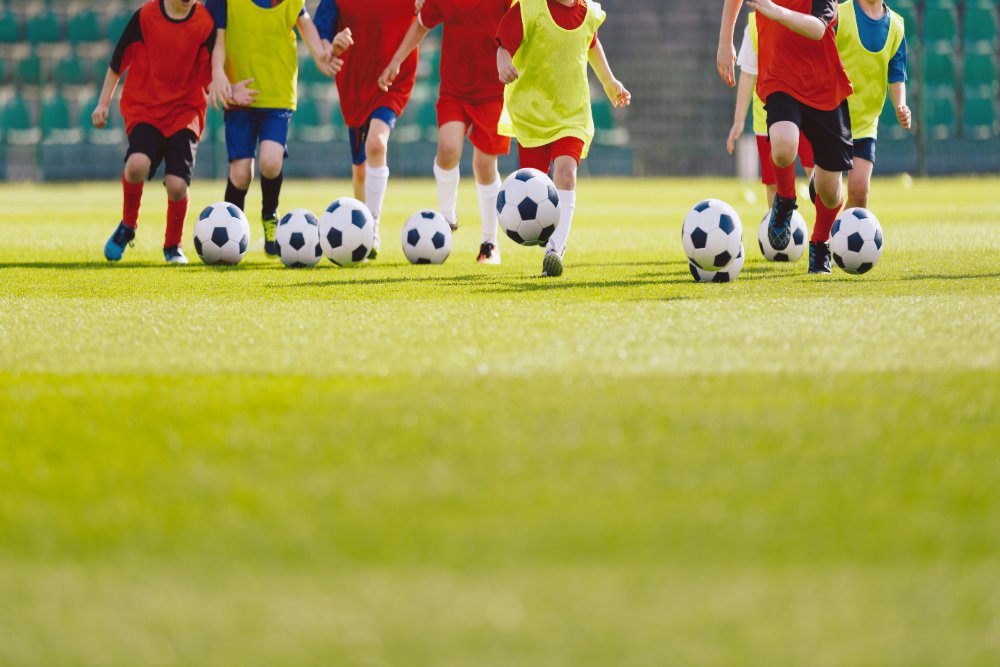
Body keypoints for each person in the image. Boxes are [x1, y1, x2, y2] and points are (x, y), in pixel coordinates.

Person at [96, 0, 253, 264]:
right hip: (144, 108)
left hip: (185, 113)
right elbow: (117, 62)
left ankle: (173, 245)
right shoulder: (146, 16)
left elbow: (208, 74)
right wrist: (102, 104)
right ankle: (128, 225)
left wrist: (227, 89)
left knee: (177, 185)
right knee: (136, 165)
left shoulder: (204, 23)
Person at [495, 0, 630, 277]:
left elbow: (591, 44)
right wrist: (503, 59)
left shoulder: (589, 13)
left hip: (573, 115)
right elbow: (503, 41)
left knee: (566, 173)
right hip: (533, 115)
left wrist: (610, 82)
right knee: (536, 182)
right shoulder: (530, 7)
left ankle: (556, 248)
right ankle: (547, 231)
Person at [718, 0, 854, 274]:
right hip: (780, 76)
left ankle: (820, 242)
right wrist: (725, 42)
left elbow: (817, 29)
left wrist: (774, 11)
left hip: (824, 86)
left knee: (829, 192)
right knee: (783, 144)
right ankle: (786, 199)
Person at [378, 0, 512, 265]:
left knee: (486, 165)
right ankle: (447, 217)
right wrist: (396, 60)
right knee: (449, 149)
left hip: (494, 92)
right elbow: (421, 24)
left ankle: (489, 243)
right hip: (454, 89)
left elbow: (521, 26)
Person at [205, 0, 341, 257]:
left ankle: (270, 214)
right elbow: (219, 40)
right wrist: (218, 74)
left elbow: (305, 24)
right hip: (239, 93)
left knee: (270, 161)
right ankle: (231, 231)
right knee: (241, 173)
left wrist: (321, 55)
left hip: (277, 94)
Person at [315, 0, 420, 260]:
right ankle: (362, 224)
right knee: (360, 171)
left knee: (376, 143)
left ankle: (371, 227)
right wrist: (332, 45)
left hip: (394, 75)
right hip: (355, 80)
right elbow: (321, 32)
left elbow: (430, 15)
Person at [726, 12, 815, 209]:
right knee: (774, 183)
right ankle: (778, 233)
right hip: (767, 118)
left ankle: (826, 232)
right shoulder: (754, 24)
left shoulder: (808, 15)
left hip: (809, 110)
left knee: (817, 175)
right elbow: (748, 74)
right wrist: (739, 120)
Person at [834, 0, 911, 209]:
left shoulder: (896, 25)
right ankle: (823, 237)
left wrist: (900, 105)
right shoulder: (839, 14)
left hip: (865, 123)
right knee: (831, 194)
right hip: (832, 116)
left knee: (859, 191)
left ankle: (839, 238)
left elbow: (896, 75)